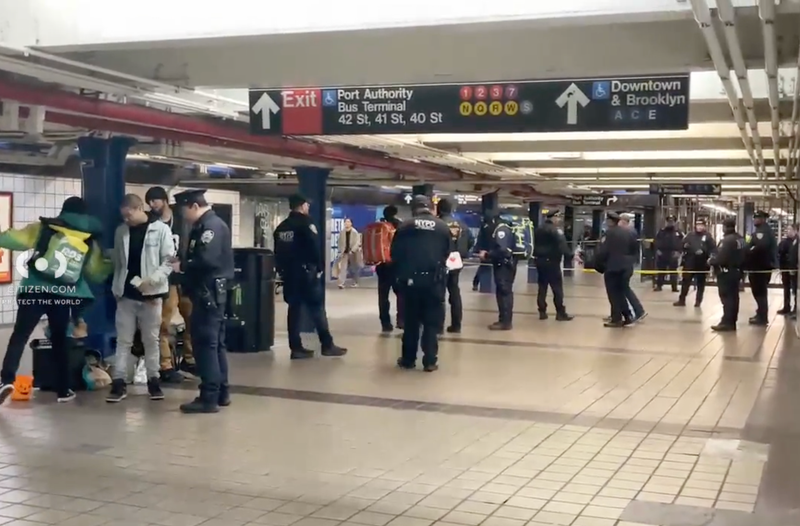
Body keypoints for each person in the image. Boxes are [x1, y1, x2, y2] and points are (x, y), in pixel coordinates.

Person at [0, 196, 110, 404]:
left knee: (20, 335)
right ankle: (63, 389)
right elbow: (95, 273)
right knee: (60, 339)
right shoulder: (89, 239)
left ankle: (6, 379)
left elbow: (13, 240)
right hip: (63, 294)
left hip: (34, 290)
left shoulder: (44, 228)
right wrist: (110, 263)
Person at [106, 194, 174, 403]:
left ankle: (154, 381)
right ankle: (118, 383)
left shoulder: (161, 229)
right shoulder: (121, 231)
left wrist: (152, 282)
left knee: (151, 340)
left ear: (138, 209)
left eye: (129, 215)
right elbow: (119, 262)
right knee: (123, 340)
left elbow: (169, 261)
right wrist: (116, 289)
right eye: (123, 216)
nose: (126, 220)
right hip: (126, 294)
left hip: (151, 296)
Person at [171, 189, 235, 414]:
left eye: (183, 210)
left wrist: (183, 266)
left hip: (208, 294)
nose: (183, 216)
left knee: (205, 346)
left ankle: (209, 397)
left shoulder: (211, 227)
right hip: (209, 294)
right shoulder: (205, 225)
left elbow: (206, 259)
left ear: (194, 206)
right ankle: (221, 393)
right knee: (215, 345)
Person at [273, 194, 347, 359]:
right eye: (307, 205)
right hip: (307, 274)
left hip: (289, 275)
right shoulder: (306, 223)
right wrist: (319, 268)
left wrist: (282, 271)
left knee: (294, 311)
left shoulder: (281, 227)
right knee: (317, 309)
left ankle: (296, 348)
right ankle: (327, 344)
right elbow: (314, 247)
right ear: (302, 205)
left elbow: (278, 252)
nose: (308, 207)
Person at [391, 196, 450, 372]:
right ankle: (430, 361)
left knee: (411, 322)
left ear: (413, 209)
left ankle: (408, 359)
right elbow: (448, 252)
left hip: (410, 283)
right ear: (431, 208)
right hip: (433, 282)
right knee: (431, 323)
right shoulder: (442, 227)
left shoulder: (405, 226)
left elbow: (395, 253)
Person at [146, 186, 195, 383]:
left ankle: (189, 358)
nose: (151, 205)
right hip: (166, 279)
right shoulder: (151, 223)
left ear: (164, 200)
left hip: (185, 276)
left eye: (154, 201)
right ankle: (165, 364)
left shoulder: (182, 220)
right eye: (149, 202)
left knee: (192, 318)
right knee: (163, 322)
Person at [595, 212, 639, 328]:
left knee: (613, 294)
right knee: (620, 293)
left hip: (613, 268)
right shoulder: (629, 232)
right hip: (626, 267)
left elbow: (603, 252)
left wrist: (598, 265)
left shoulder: (609, 234)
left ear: (610, 221)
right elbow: (635, 250)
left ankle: (616, 319)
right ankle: (628, 316)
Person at [476, 210, 517, 330]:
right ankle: (504, 319)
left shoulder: (501, 229)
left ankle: (505, 322)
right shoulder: (505, 227)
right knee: (504, 292)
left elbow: (502, 250)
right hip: (506, 264)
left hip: (504, 265)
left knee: (504, 292)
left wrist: (488, 255)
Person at [437, 198, 472, 333]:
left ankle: (438, 326)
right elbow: (470, 241)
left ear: (439, 209)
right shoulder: (462, 225)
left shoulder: (438, 224)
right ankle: (456, 325)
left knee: (439, 295)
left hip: (441, 260)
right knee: (454, 292)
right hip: (456, 260)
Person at [533, 210, 573, 321]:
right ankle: (560, 312)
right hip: (552, 262)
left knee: (542, 287)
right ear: (553, 218)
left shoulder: (538, 229)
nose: (559, 220)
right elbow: (562, 245)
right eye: (558, 217)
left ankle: (542, 311)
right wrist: (570, 256)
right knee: (557, 288)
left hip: (540, 261)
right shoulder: (556, 231)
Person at [710, 218, 745, 332]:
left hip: (726, 272)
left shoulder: (727, 240)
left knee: (727, 298)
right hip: (737, 271)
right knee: (734, 298)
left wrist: (711, 261)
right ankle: (732, 321)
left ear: (725, 227)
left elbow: (721, 257)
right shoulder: (740, 239)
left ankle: (727, 322)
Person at [674, 218, 716, 308]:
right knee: (685, 282)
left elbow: (713, 249)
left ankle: (698, 301)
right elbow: (683, 245)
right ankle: (682, 300)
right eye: (698, 225)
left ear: (705, 226)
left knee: (700, 284)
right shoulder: (690, 235)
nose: (699, 227)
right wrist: (686, 247)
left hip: (702, 264)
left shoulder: (708, 237)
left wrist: (706, 252)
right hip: (690, 262)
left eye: (701, 225)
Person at [746, 210, 777, 326]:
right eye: (754, 217)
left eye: (757, 218)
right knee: (759, 291)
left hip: (760, 266)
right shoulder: (763, 230)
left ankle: (762, 316)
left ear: (763, 219)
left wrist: (749, 250)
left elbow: (760, 247)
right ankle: (760, 313)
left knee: (760, 292)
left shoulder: (763, 232)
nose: (755, 220)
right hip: (761, 266)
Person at [375, 206, 404, 332]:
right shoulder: (400, 226)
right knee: (401, 294)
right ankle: (401, 320)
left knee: (383, 295)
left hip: (381, 265)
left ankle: (385, 323)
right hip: (396, 265)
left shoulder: (379, 226)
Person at [654, 215, 684, 292]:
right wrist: (657, 250)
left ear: (675, 222)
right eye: (669, 221)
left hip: (673, 254)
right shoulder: (661, 231)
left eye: (672, 221)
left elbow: (682, 243)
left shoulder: (678, 232)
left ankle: (674, 287)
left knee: (673, 272)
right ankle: (659, 285)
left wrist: (679, 252)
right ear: (666, 222)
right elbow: (656, 241)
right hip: (662, 253)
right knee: (661, 271)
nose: (670, 223)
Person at [334, 218, 362, 289]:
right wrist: (341, 250)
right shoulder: (342, 232)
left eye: (348, 222)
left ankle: (355, 282)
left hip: (353, 253)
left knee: (354, 268)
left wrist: (352, 250)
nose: (347, 223)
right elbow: (339, 242)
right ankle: (341, 283)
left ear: (351, 223)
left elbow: (357, 242)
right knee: (343, 268)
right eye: (346, 222)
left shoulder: (355, 232)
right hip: (344, 253)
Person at [777, 224, 798, 315]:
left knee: (795, 289)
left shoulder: (797, 242)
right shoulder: (784, 242)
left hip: (794, 269)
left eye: (790, 229)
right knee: (786, 288)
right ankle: (786, 306)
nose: (787, 231)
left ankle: (795, 307)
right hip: (785, 268)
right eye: (787, 229)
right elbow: (778, 253)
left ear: (795, 230)